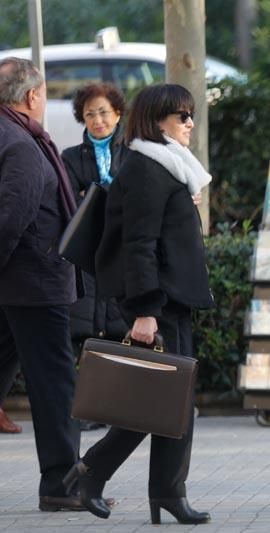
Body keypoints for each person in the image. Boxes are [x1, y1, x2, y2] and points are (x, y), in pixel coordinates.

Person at [64, 83, 213, 524]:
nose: (189, 123)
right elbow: (139, 245)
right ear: (156, 119)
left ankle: (166, 491)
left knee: (172, 400)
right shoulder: (147, 168)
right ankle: (91, 472)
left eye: (190, 114)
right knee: (157, 399)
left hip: (173, 299)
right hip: (158, 303)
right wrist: (145, 311)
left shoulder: (166, 166)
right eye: (181, 115)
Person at [0, 57, 85, 511]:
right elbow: (12, 217)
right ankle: (61, 485)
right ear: (32, 96)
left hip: (21, 283)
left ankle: (63, 481)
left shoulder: (11, 133)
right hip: (33, 283)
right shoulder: (19, 142)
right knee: (55, 386)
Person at [61, 82, 129, 431]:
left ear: (117, 113)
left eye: (103, 112)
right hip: (88, 256)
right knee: (88, 334)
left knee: (122, 329)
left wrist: (95, 195)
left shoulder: (134, 151)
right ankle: (92, 411)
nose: (98, 119)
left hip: (122, 253)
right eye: (90, 114)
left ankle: (122, 410)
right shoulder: (71, 157)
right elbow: (71, 203)